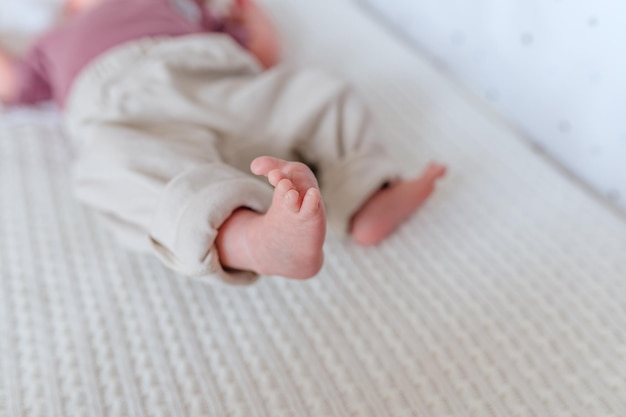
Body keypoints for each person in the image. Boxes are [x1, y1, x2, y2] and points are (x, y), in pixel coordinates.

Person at [0, 0, 446, 284]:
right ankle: (249, 239)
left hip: (221, 83)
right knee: (108, 166)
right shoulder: (50, 42)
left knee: (317, 93)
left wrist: (251, 15)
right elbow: (12, 82)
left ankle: (364, 195)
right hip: (132, 111)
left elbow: (262, 54)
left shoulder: (184, 9)